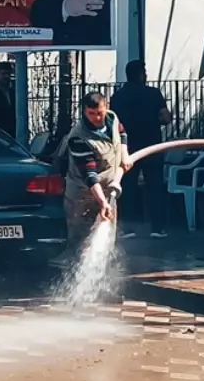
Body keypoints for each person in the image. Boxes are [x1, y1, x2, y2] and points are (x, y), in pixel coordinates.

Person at [60, 91, 132, 256]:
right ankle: (74, 274)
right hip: (82, 196)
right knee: (81, 241)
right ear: (84, 111)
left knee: (106, 238)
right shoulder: (79, 138)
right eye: (91, 114)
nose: (96, 118)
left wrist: (125, 154)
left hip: (108, 190)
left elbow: (121, 133)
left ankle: (105, 271)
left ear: (106, 107)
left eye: (99, 113)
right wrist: (102, 203)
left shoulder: (112, 118)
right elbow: (89, 175)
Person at [110, 60, 171, 238]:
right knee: (155, 186)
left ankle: (127, 227)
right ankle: (157, 228)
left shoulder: (118, 97)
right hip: (152, 145)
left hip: (127, 147)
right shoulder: (153, 94)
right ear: (140, 74)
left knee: (127, 186)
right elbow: (165, 117)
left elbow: (113, 123)